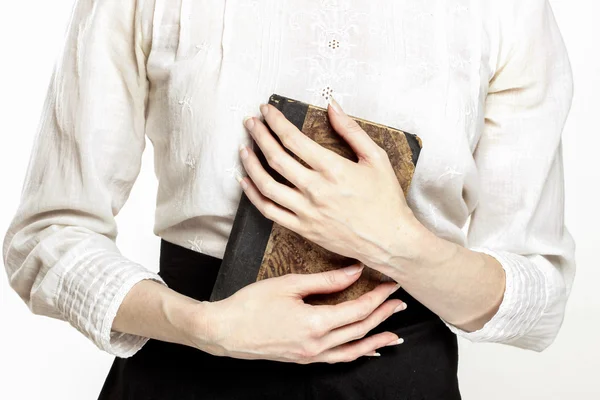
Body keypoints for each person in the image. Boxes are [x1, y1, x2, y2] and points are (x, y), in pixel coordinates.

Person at [2, 0, 575, 399]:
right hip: (187, 372)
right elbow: (46, 234)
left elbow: (540, 297)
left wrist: (399, 243)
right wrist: (204, 326)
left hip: (398, 381)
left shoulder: (506, 9)